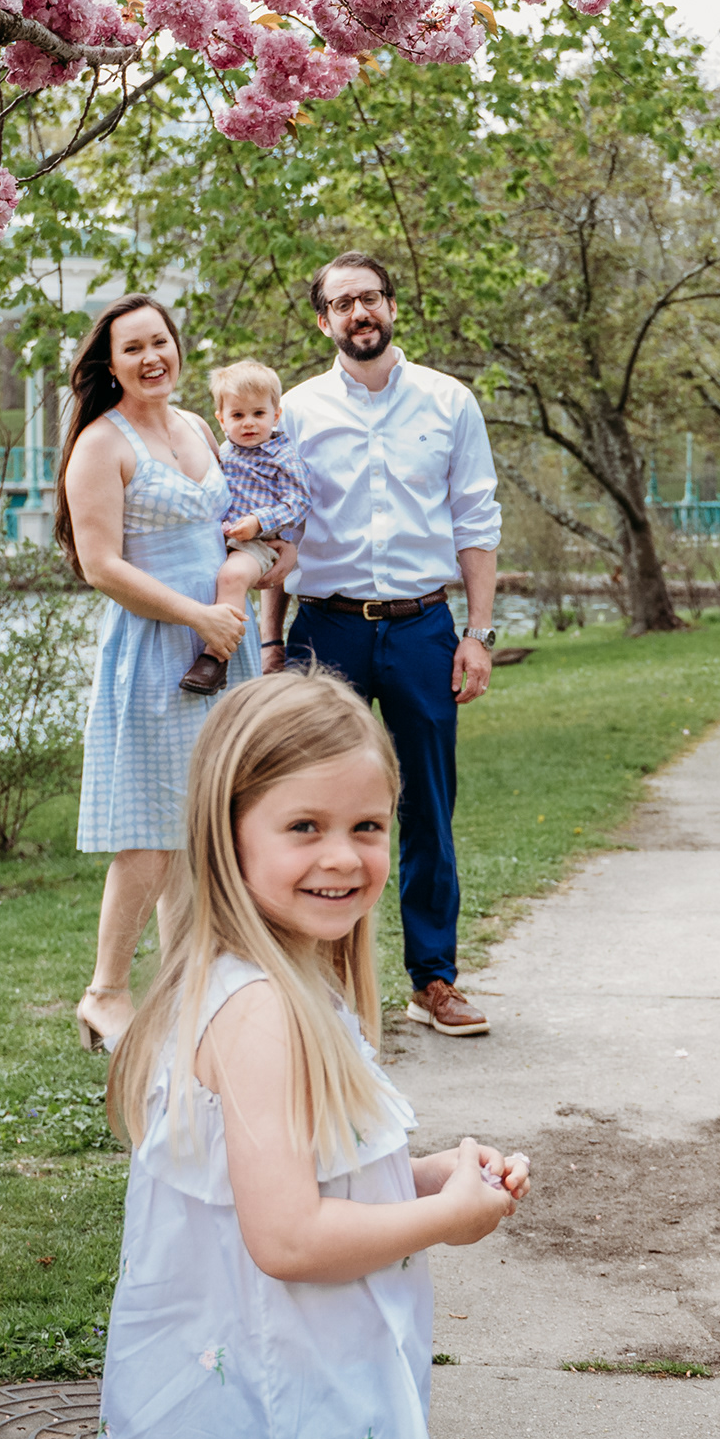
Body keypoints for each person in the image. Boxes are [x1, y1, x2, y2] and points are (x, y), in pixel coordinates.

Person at [93, 674, 532, 1439]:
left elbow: (316, 1177)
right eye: (304, 826)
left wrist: (436, 1174)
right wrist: (448, 1221)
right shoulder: (262, 1012)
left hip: (299, 1432)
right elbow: (287, 1234)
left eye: (367, 826)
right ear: (227, 829)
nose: (343, 856)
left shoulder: (283, 988)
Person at [277, 253, 502, 1038]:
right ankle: (318, 980)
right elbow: (280, 528)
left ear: (392, 306)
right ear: (323, 321)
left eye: (369, 297)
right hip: (326, 627)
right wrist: (271, 641)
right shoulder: (295, 410)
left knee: (426, 806)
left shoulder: (449, 402)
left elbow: (476, 520)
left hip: (421, 628)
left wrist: (477, 633)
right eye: (342, 303)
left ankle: (433, 980)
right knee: (311, 808)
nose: (358, 312)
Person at [61, 293, 243, 1052]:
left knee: (203, 831)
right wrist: (196, 615)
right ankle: (104, 991)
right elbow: (101, 566)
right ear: (109, 364)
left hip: (225, 649)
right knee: (151, 832)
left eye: (159, 341)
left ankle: (181, 992)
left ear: (178, 347)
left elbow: (224, 525)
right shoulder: (102, 445)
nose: (150, 357)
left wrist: (247, 572)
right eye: (132, 347)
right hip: (156, 651)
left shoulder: (200, 427)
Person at [182, 358, 306, 696]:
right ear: (221, 419)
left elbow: (299, 502)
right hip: (221, 538)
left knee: (232, 577)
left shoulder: (282, 455)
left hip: (260, 543)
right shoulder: (222, 452)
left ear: (276, 415)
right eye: (238, 415)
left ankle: (216, 657)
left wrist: (258, 522)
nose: (248, 423)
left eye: (258, 414)